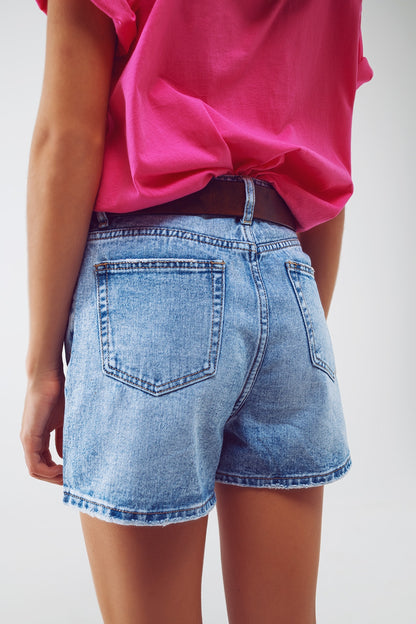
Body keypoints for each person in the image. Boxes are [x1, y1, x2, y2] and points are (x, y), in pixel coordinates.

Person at [20, 1, 372, 622]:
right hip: (288, 268)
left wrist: (43, 367)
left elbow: (67, 134)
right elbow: (328, 159)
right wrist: (286, 328)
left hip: (151, 280)